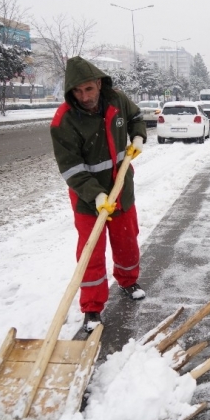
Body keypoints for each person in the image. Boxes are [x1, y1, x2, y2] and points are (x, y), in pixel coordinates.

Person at [50, 56, 148, 333]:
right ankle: (92, 308)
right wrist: (95, 195)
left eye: (89, 89)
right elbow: (71, 168)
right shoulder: (64, 121)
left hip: (121, 189)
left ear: (98, 83)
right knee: (91, 252)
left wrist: (138, 136)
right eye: (78, 92)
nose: (84, 97)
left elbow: (136, 117)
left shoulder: (116, 100)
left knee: (127, 240)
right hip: (87, 198)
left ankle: (128, 282)